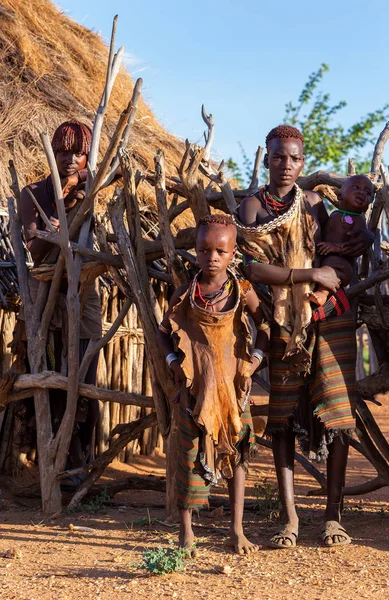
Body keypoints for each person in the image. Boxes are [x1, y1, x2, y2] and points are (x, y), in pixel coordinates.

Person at [234, 125, 373, 548]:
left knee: (337, 414)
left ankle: (333, 517)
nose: (286, 165)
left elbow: (341, 249)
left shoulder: (314, 204)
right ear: (267, 157)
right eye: (279, 157)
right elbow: (253, 270)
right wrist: (308, 274)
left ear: (302, 162)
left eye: (294, 158)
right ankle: (291, 518)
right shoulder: (252, 209)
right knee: (282, 418)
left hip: (328, 317)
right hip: (282, 321)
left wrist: (327, 279)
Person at [157, 214, 269, 556]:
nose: (212, 257)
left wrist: (256, 360)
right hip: (195, 388)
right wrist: (174, 363)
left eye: (220, 250)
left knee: (238, 454)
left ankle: (236, 530)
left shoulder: (242, 291)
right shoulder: (186, 293)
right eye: (204, 250)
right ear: (196, 250)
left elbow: (265, 324)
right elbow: (164, 333)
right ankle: (186, 532)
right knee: (188, 456)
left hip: (235, 389)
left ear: (233, 253)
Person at [19, 120, 102, 484]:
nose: (71, 159)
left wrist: (80, 189)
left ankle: (82, 460)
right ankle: (54, 460)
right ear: (52, 151)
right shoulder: (34, 193)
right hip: (44, 292)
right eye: (64, 151)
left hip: (83, 294)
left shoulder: (94, 187)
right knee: (51, 373)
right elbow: (35, 250)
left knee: (84, 376)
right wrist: (61, 198)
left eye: (79, 153)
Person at [309, 174, 373, 306]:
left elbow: (355, 248)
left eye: (367, 192)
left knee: (333, 262)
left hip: (342, 266)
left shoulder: (358, 220)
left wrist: (336, 247)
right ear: (339, 195)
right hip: (325, 260)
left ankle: (323, 293)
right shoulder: (334, 214)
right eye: (356, 187)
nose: (361, 192)